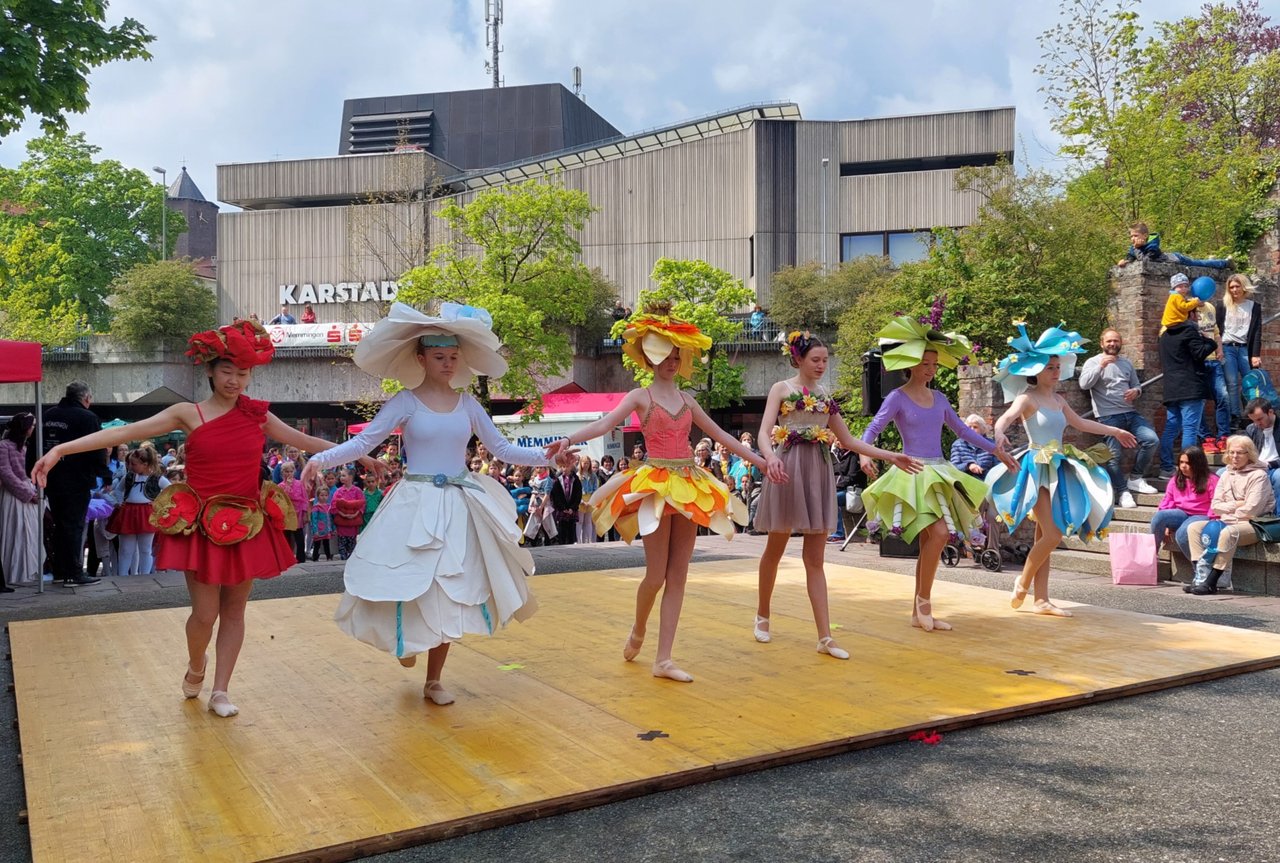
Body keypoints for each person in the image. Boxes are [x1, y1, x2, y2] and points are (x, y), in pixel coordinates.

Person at [32, 320, 375, 718]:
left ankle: (221, 690)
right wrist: (61, 451)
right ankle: (197, 665)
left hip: (247, 523)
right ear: (209, 371)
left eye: (242, 373)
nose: (234, 380)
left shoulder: (258, 415)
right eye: (226, 371)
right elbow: (124, 432)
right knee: (205, 614)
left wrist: (357, 452)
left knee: (235, 611)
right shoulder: (187, 413)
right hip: (202, 527)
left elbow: (307, 443)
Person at [301, 302, 570, 706]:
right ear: (421, 357)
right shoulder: (405, 402)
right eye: (440, 356)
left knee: (451, 590)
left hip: (459, 506)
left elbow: (503, 449)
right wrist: (320, 459)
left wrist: (547, 456)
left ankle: (434, 679)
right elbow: (363, 443)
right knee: (408, 581)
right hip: (413, 504)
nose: (448, 363)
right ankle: (406, 641)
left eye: (453, 357)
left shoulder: (469, 405)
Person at [553, 303, 767, 683]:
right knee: (656, 575)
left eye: (676, 354)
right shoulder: (640, 396)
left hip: (687, 484)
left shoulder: (688, 400)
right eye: (665, 354)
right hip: (655, 486)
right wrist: (568, 438)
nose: (672, 360)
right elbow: (605, 423)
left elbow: (722, 437)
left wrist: (763, 461)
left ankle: (663, 658)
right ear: (650, 359)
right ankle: (638, 629)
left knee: (679, 576)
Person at [753, 331, 922, 656]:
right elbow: (763, 432)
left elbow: (848, 440)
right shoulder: (781, 389)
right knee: (775, 547)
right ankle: (762, 615)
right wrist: (770, 456)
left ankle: (825, 637)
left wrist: (888, 455)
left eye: (825, 360)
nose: (821, 365)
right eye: (815, 359)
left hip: (817, 471)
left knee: (815, 559)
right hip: (787, 468)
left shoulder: (826, 394)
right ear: (798, 359)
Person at [859, 317, 1015, 632]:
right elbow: (873, 429)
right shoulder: (897, 397)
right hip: (912, 470)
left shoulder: (940, 399)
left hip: (938, 471)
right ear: (911, 364)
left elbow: (961, 431)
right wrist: (865, 452)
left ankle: (920, 609)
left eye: (933, 363)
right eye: (925, 363)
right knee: (941, 534)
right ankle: (923, 606)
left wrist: (994, 449)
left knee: (936, 536)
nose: (931, 369)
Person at [989, 322, 1138, 617]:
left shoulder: (1058, 400)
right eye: (1050, 367)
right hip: (1038, 467)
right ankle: (1023, 581)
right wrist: (998, 433)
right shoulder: (1027, 398)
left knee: (1044, 536)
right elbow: (1005, 418)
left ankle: (1041, 599)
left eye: (1057, 366)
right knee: (1053, 534)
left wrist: (1114, 430)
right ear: (1036, 371)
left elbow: (1082, 424)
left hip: (1058, 465)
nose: (1056, 371)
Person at [1076, 329, 1160, 509]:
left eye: (1115, 341)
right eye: (1109, 341)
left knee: (1151, 440)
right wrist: (1101, 367)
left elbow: (1136, 385)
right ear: (1102, 343)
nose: (1112, 344)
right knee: (1113, 456)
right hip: (1108, 416)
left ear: (1120, 343)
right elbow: (1084, 384)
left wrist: (1136, 392)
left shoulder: (1126, 363)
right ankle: (1122, 492)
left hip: (1130, 413)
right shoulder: (1093, 362)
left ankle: (1136, 478)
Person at [1184, 435, 1274, 595]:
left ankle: (1212, 582)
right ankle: (1201, 577)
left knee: (1229, 533)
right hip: (1227, 520)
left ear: (1250, 454)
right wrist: (1239, 504)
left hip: (1254, 524)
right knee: (1193, 528)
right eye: (1231, 452)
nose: (1234, 457)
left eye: (1240, 453)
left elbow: (1252, 510)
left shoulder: (1259, 475)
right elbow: (1215, 506)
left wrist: (1230, 511)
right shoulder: (1225, 474)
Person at [41, 381, 106, 586]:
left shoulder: (48, 415)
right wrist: (105, 475)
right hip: (77, 479)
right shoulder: (87, 417)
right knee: (74, 526)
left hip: (51, 478)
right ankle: (73, 572)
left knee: (60, 525)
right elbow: (98, 449)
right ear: (86, 398)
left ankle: (60, 569)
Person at [1157, 307, 1218, 480]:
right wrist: (1210, 342)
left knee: (1171, 429)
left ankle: (1166, 467)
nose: (1198, 317)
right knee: (1190, 428)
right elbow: (1199, 353)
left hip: (1171, 388)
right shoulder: (1189, 330)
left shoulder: (1165, 336)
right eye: (1195, 313)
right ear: (1188, 315)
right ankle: (1187, 470)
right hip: (1191, 386)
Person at [107, 447, 169, 576]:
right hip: (128, 512)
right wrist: (119, 501)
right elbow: (118, 490)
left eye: (134, 464)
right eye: (129, 463)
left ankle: (145, 576)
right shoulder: (129, 476)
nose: (130, 466)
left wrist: (159, 503)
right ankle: (122, 576)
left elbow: (172, 491)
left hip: (147, 513)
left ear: (145, 464)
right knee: (125, 549)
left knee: (145, 549)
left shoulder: (157, 478)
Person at [1150, 446, 1218, 561]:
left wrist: (1214, 522)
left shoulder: (1212, 480)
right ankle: (1152, 554)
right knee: (1160, 516)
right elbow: (1168, 500)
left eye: (1188, 463)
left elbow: (1216, 503)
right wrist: (1165, 525)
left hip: (1202, 515)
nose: (1183, 466)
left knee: (1182, 534)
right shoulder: (1175, 479)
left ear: (1198, 464)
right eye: (1181, 462)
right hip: (1182, 513)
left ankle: (1201, 568)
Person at [1216, 273, 1263, 432]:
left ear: (1243, 287)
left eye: (1237, 286)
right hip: (1228, 347)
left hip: (1245, 348)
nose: (1234, 290)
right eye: (1231, 287)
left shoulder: (1254, 306)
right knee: (1232, 384)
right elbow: (1217, 330)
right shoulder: (1222, 305)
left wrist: (1256, 354)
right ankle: (1235, 417)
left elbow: (1257, 332)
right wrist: (1218, 349)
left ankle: (1253, 415)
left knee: (1250, 383)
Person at [0, 413, 40, 589]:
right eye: (31, 426)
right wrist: (27, 493)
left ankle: (27, 573)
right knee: (14, 533)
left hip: (26, 493)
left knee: (29, 535)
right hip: (12, 496)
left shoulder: (26, 447)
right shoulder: (3, 446)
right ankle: (14, 573)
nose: (33, 429)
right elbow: (5, 473)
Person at [1116, 222, 1231, 269]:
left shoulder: (1152, 245)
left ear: (1145, 235)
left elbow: (1146, 261)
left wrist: (1137, 248)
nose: (1133, 239)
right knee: (1199, 263)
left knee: (1198, 263)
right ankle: (1214, 261)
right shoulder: (1134, 248)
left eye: (1135, 235)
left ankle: (1224, 263)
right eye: (1131, 236)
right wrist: (1124, 261)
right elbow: (1130, 257)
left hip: (1176, 259)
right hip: (1170, 260)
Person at [1243, 398, 1280, 506]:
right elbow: (1245, 450)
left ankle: (1278, 516)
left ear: (1270, 412)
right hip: (1255, 466)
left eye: (1259, 419)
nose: (1257, 423)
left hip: (1275, 467)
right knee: (1222, 472)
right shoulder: (1251, 429)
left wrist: (1269, 464)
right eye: (1253, 420)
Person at [330, 468, 366, 560]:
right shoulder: (338, 491)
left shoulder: (357, 491)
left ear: (350, 477)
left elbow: (362, 504)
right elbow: (334, 505)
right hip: (342, 520)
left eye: (343, 475)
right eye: (341, 476)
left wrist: (356, 514)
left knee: (352, 540)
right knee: (342, 540)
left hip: (353, 520)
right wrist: (342, 514)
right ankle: (343, 557)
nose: (341, 478)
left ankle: (351, 558)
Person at [948, 414, 998, 479]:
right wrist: (968, 466)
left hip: (987, 481)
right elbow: (954, 467)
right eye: (969, 427)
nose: (972, 429)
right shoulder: (958, 444)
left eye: (975, 427)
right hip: (965, 481)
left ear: (982, 429)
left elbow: (998, 466)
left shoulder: (991, 444)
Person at [279, 461, 308, 564]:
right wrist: (288, 485)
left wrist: (305, 513)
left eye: (291, 471)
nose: (289, 474)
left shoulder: (300, 484)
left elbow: (305, 498)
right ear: (283, 473)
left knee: (299, 537)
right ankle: (287, 558)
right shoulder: (280, 486)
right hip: (287, 514)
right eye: (287, 471)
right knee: (286, 537)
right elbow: (282, 499)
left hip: (298, 513)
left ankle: (301, 558)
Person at [548, 465, 582, 545]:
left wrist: (572, 508)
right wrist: (562, 508)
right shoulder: (557, 479)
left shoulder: (575, 479)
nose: (565, 468)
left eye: (566, 466)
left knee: (571, 528)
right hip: (561, 509)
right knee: (561, 528)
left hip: (572, 509)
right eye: (563, 466)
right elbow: (555, 494)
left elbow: (578, 494)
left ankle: (571, 543)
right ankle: (561, 544)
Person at [577, 455, 599, 544]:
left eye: (588, 463)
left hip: (590, 498)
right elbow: (577, 490)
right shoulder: (578, 475)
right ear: (581, 464)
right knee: (580, 521)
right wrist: (581, 501)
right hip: (581, 498)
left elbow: (595, 488)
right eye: (584, 463)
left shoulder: (593, 475)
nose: (586, 465)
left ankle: (589, 540)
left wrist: (591, 500)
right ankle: (579, 540)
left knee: (588, 521)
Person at [309, 486, 335, 561]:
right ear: (318, 496)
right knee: (317, 544)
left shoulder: (329, 507)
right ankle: (315, 558)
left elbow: (331, 519)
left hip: (327, 529)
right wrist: (315, 530)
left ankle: (328, 557)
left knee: (326, 543)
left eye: (326, 495)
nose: (324, 497)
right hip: (319, 530)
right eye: (322, 495)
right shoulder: (316, 507)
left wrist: (333, 528)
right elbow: (314, 519)